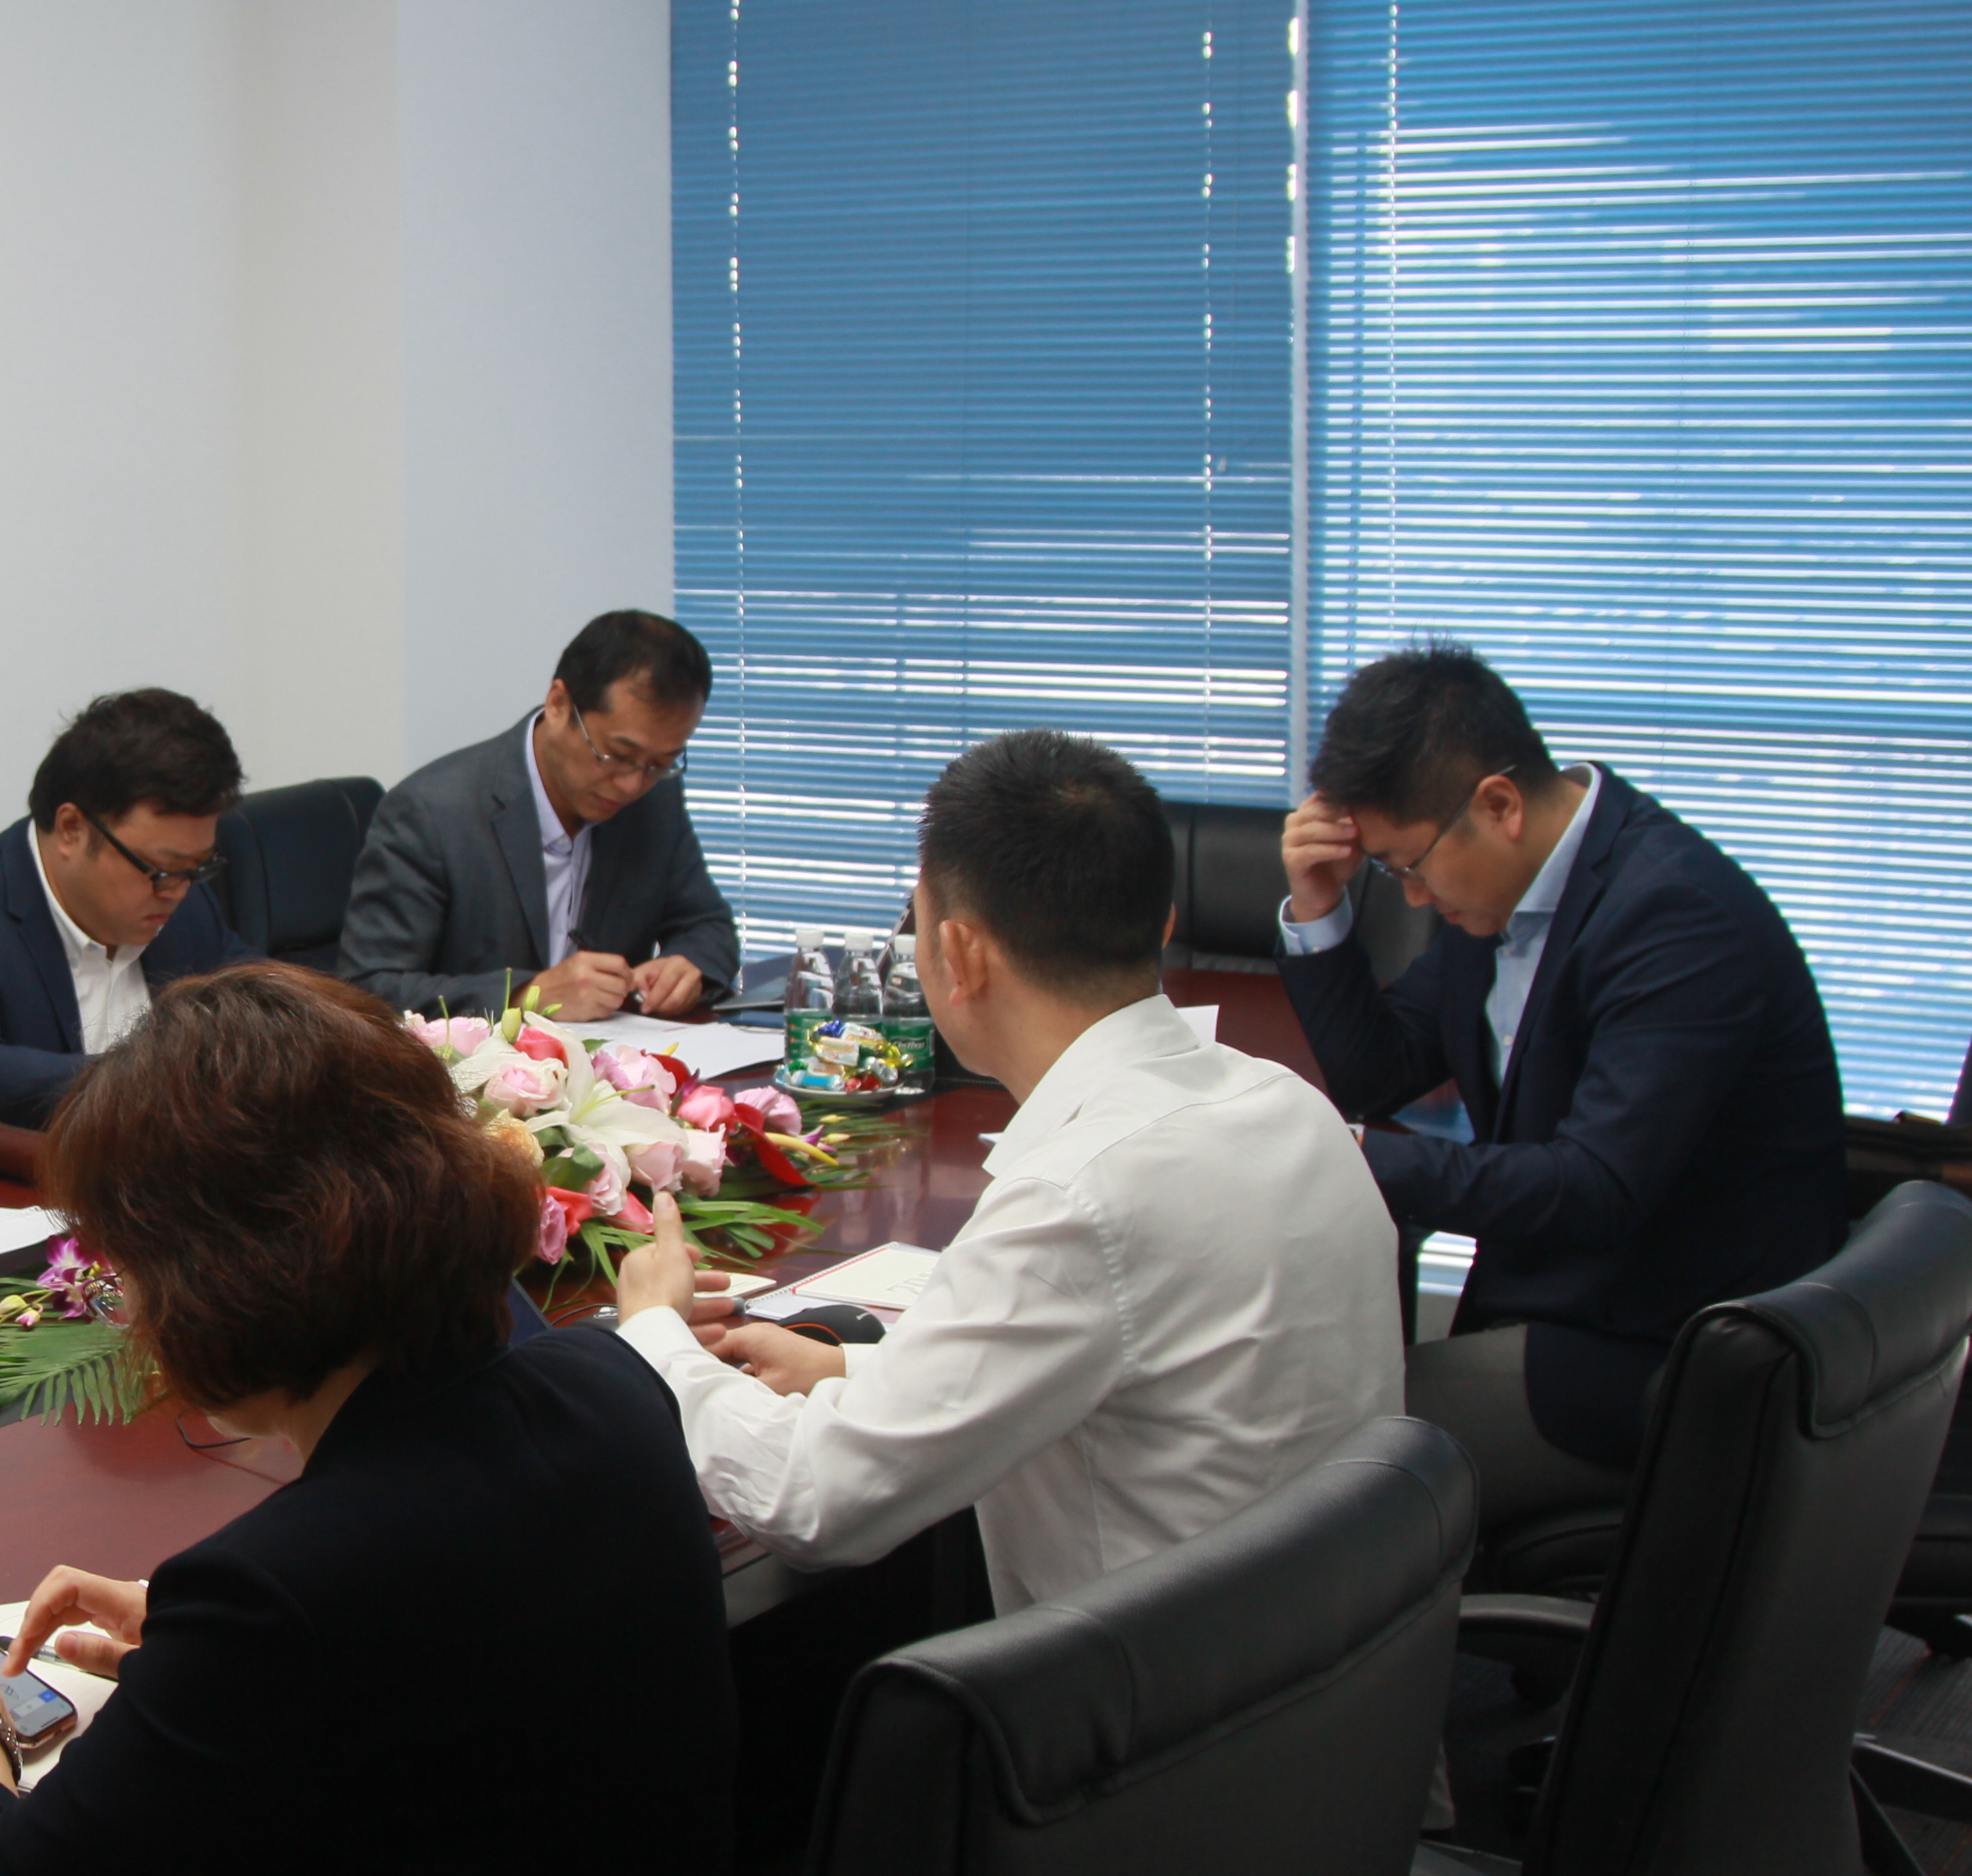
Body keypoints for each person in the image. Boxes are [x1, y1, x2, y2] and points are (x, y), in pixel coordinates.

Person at [0, 965, 761, 1876]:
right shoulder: (609, 1390)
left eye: (125, 1272)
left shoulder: (289, 1596)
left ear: (213, 1277)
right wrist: (199, 1653)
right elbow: (461, 1649)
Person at [616, 730, 1402, 1613]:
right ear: (1164, 925)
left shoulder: (1077, 1198)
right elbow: (1146, 1366)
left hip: (1158, 1690)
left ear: (959, 956)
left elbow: (813, 1500)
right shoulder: (1298, 1108)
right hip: (1331, 1663)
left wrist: (655, 1339)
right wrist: (856, 1373)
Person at [1275, 643, 1845, 1519]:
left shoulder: (1674, 918)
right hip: (1570, 1309)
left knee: (1302, 1449)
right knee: (1292, 1414)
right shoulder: (1508, 890)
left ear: (1498, 805)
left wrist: (1344, 1156)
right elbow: (1379, 1074)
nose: (1413, 898)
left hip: (1670, 1357)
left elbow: (1595, 1188)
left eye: (1409, 867)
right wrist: (1320, 907)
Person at [0, 688, 253, 1155]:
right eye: (161, 868)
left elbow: (260, 1001)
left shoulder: (182, 898)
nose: (178, 891)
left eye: (197, 867)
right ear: (71, 829)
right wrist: (161, 1077)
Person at [338, 608, 741, 1020]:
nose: (632, 784)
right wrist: (524, 996)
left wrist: (688, 967)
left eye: (661, 763)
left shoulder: (656, 800)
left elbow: (708, 926)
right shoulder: (432, 813)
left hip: (614, 1055)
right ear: (559, 704)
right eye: (618, 755)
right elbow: (367, 990)